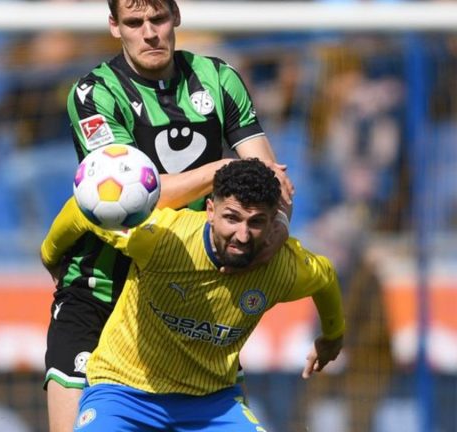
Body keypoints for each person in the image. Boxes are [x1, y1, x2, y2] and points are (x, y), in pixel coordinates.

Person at [45, 0, 295, 429]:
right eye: (134, 22)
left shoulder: (219, 80)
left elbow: (270, 183)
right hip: (101, 288)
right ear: (114, 26)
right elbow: (128, 197)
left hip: (187, 292)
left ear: (176, 16)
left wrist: (279, 225)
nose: (149, 32)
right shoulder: (94, 93)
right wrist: (221, 170)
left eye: (158, 18)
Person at [41, 159, 344, 430]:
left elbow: (326, 278)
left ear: (272, 225)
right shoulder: (161, 239)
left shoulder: (283, 268)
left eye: (256, 222)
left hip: (212, 405)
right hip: (123, 394)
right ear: (210, 210)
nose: (242, 235)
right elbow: (86, 210)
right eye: (232, 218)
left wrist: (333, 336)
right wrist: (49, 254)